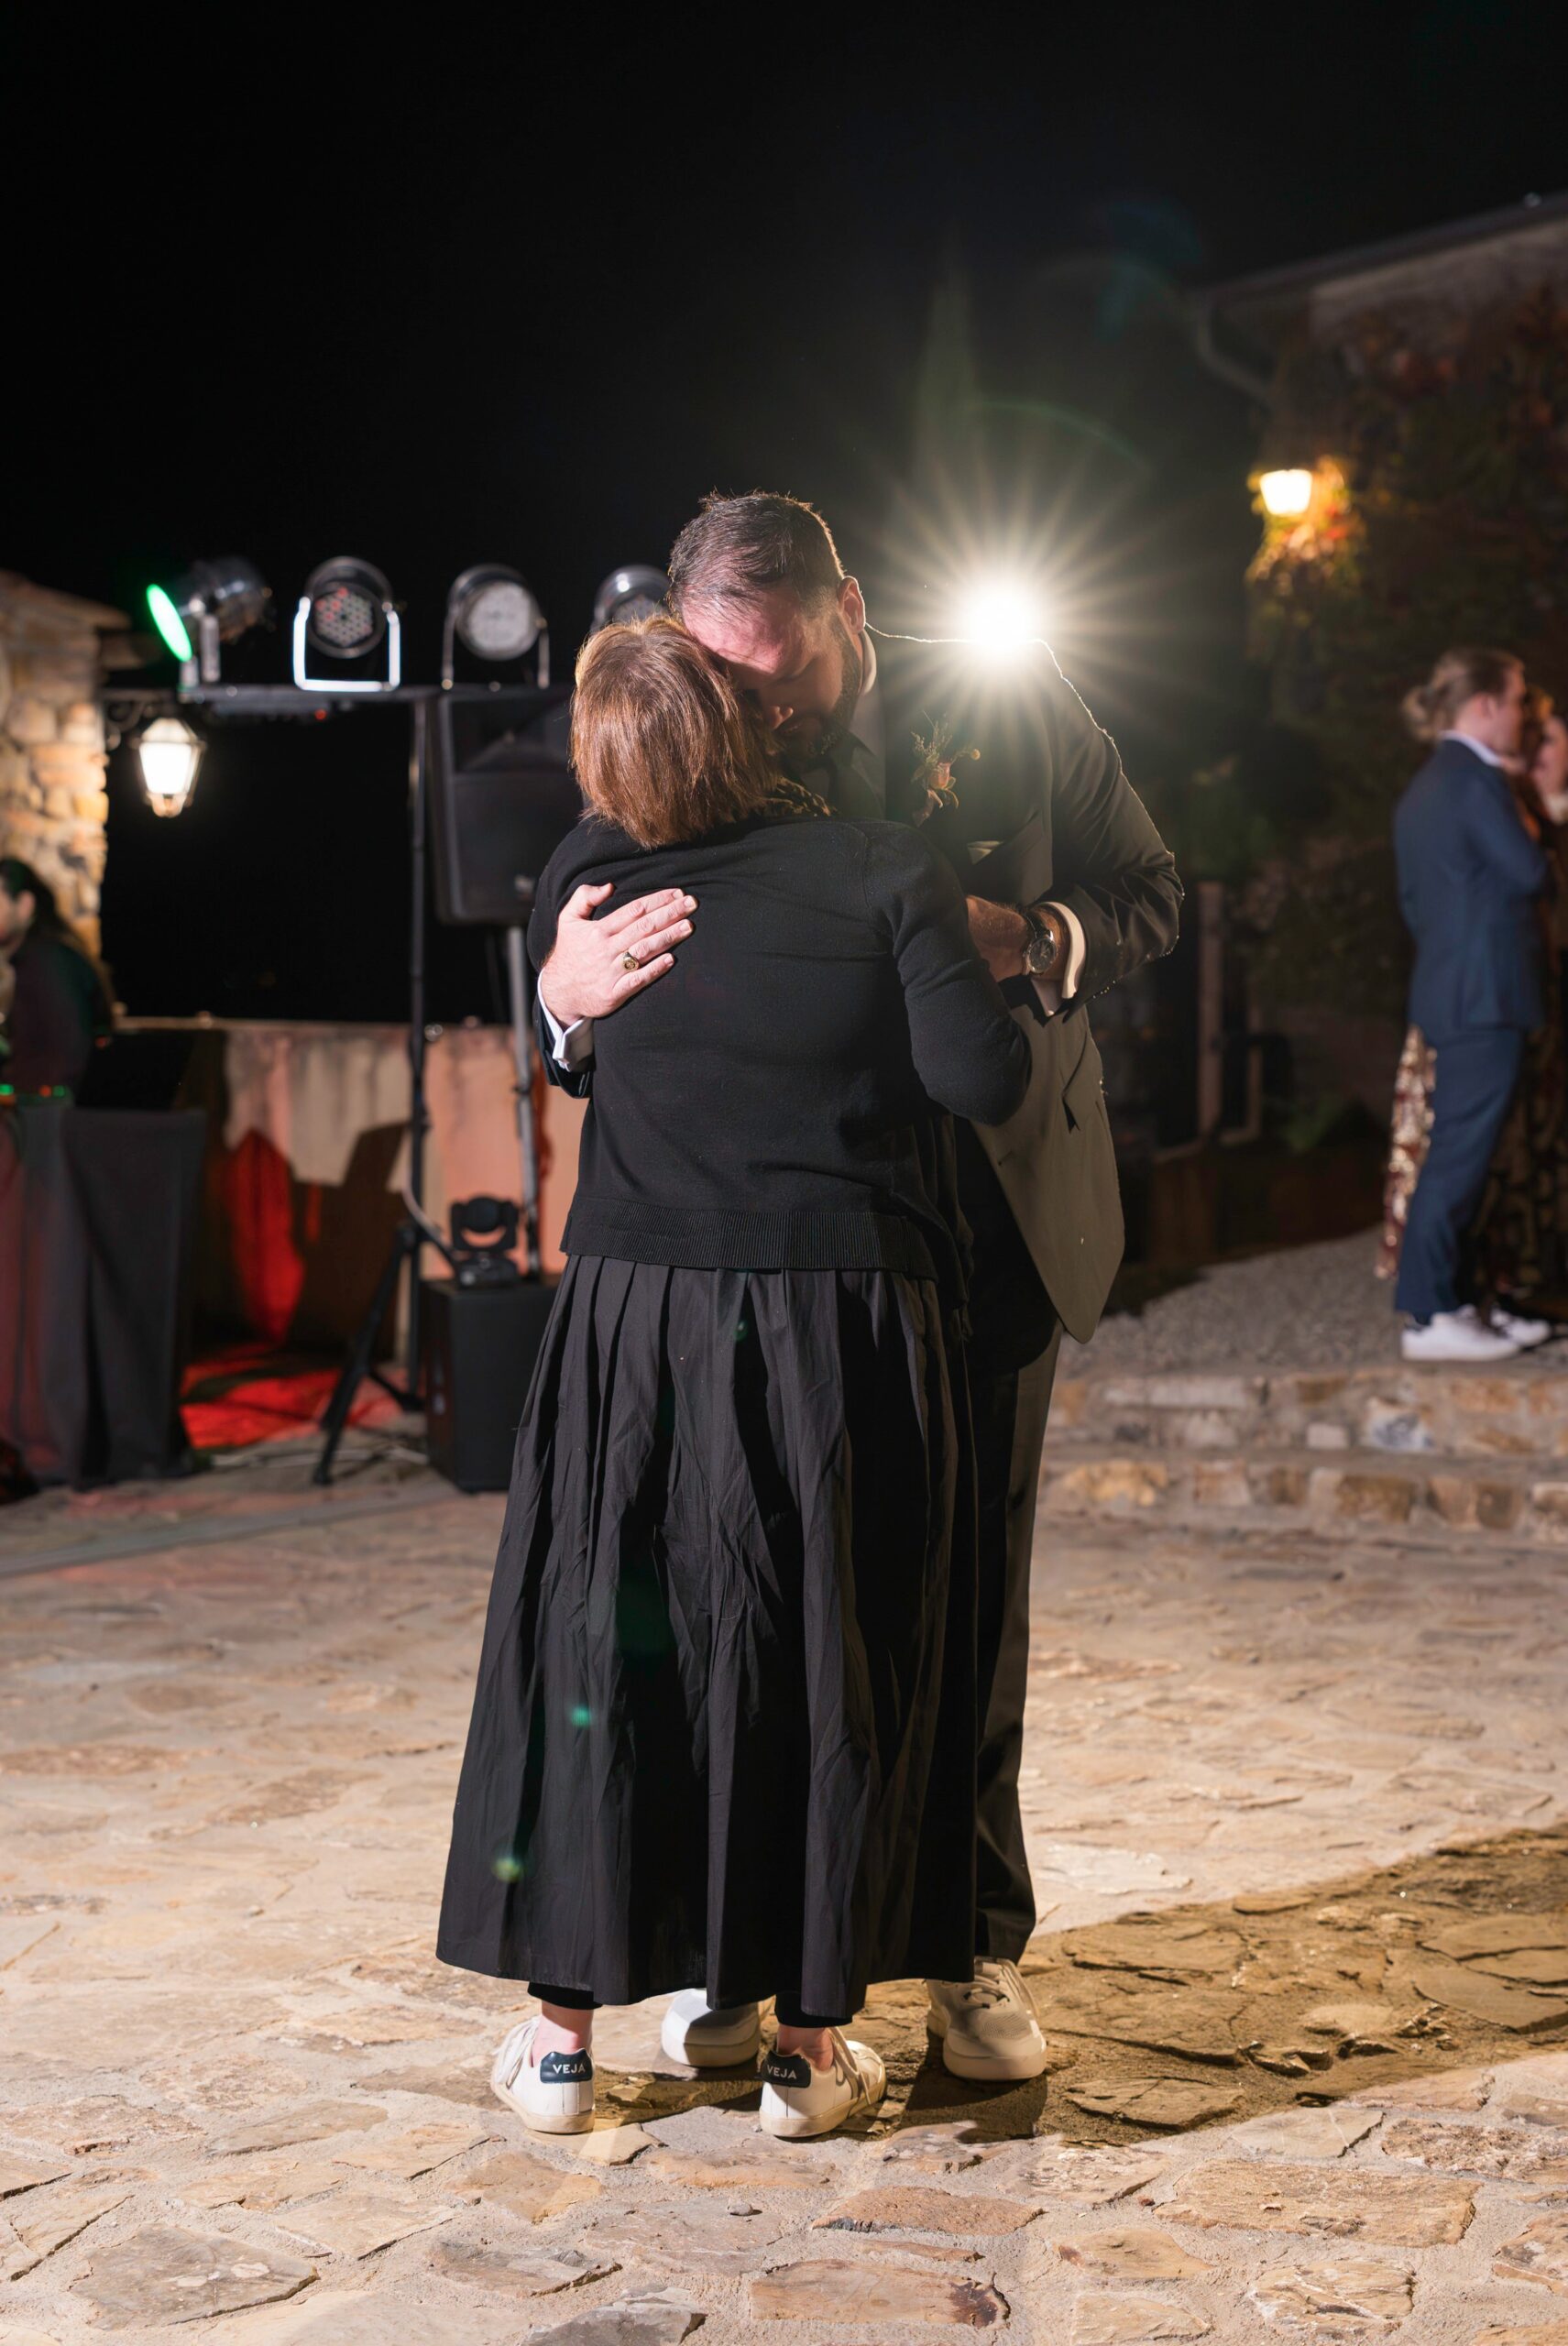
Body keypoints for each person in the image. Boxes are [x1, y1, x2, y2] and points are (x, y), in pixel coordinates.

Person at [534, 492, 1181, 2083]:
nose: (755, 710)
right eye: (724, 674)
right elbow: (583, 946)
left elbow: (1150, 893)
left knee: (963, 1607)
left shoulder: (1013, 705)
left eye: (782, 673)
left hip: (987, 1217)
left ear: (852, 612)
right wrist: (557, 1011)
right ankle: (747, 1961)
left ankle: (967, 1951)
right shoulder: (688, 737)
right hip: (791, 1250)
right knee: (757, 1610)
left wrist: (1025, 938)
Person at [438, 617, 1031, 2142]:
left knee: (598, 1655)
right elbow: (984, 1083)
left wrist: (566, 1000)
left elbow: (579, 1040)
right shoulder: (882, 869)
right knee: (826, 1649)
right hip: (836, 1312)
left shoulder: (588, 876)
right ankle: (806, 2051)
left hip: (636, 1318)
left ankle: (563, 2044)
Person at [1381, 701, 1568, 1325]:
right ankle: (1437, 1306)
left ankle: (1474, 1296)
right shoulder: (1476, 791)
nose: (1533, 757)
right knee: (1465, 1156)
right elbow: (1524, 877)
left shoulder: (1444, 788)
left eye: (1547, 747)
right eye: (1528, 742)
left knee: (1487, 1157)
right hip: (1487, 997)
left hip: (1491, 995)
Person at [0, 858, 112, 1097]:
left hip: (48, 1122)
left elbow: (66, 1057)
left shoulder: (46, 960)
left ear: (25, 905)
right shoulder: (41, 956)